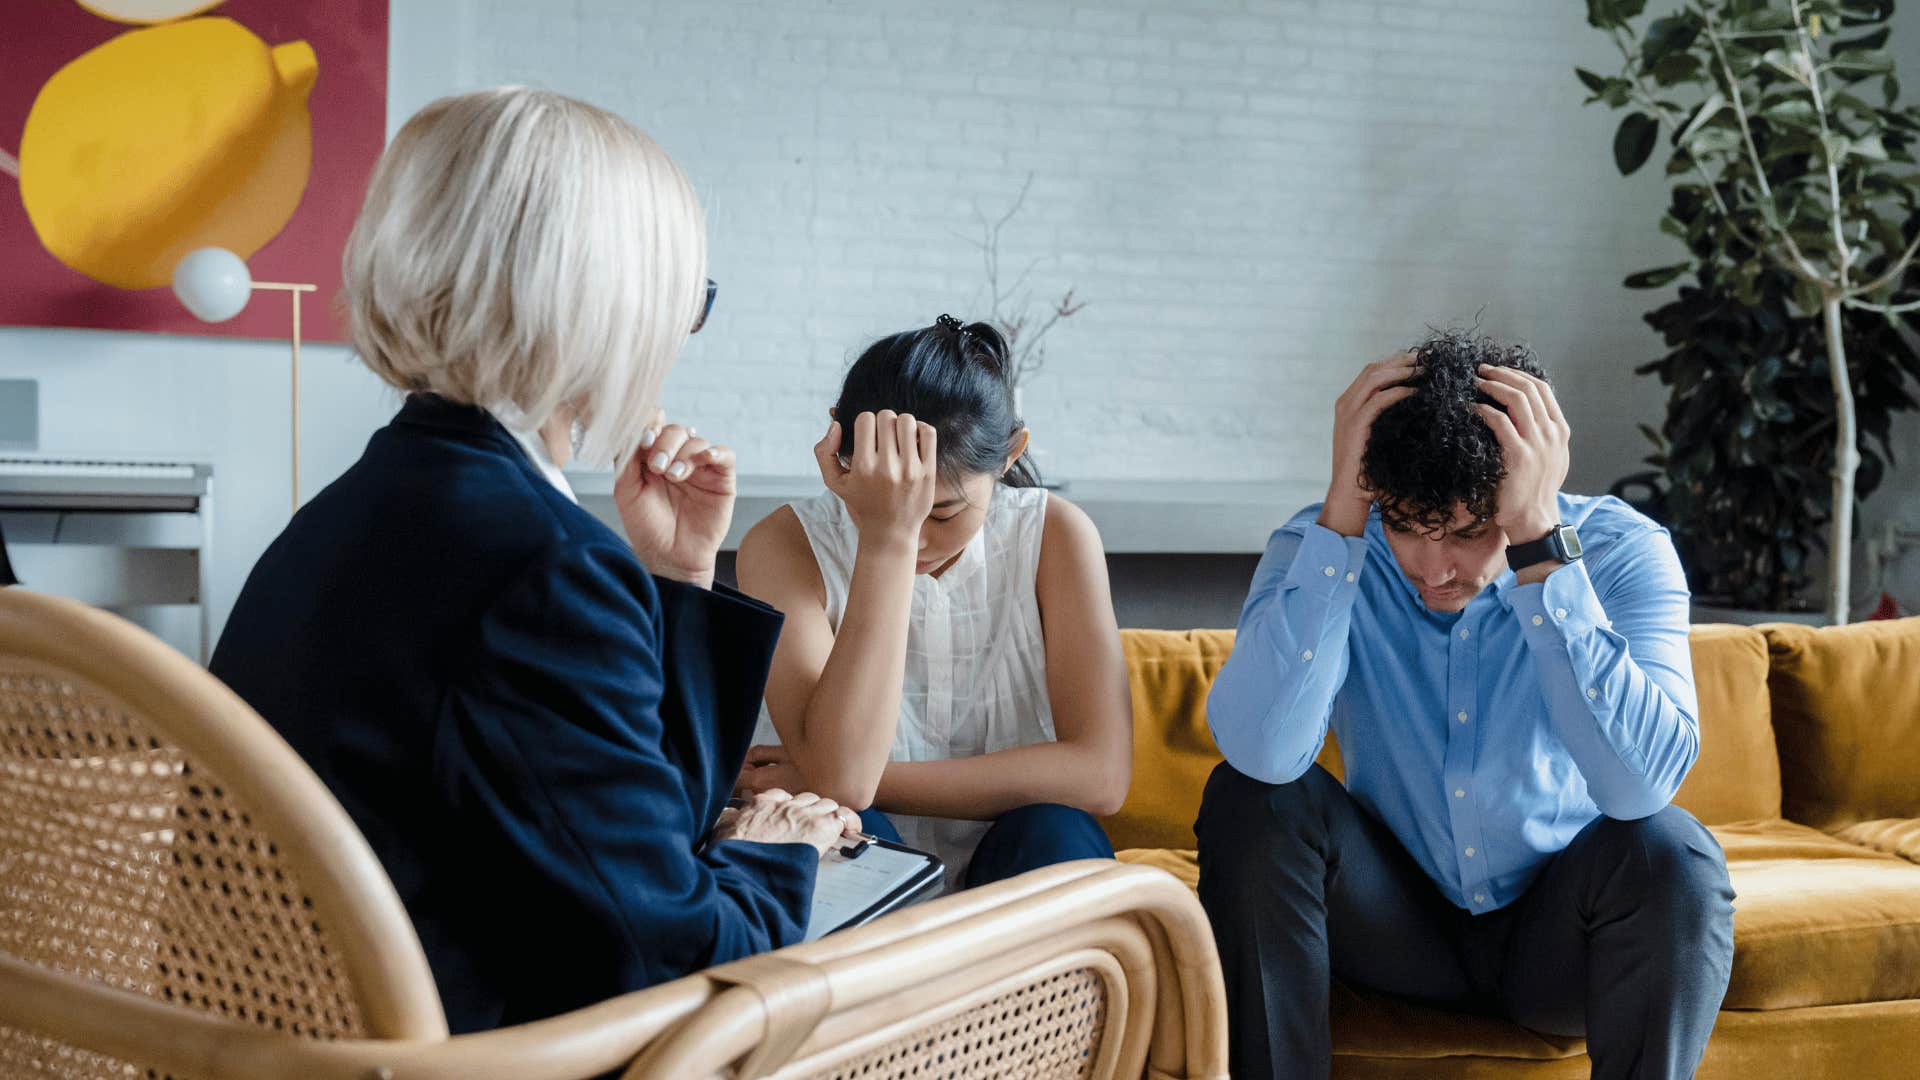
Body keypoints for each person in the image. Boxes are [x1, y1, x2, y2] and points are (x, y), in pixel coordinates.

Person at [210, 87, 858, 1034]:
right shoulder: (541, 569)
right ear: (609, 306)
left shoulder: (355, 513)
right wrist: (777, 847)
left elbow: (618, 845)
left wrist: (676, 580)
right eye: (688, 302)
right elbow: (684, 970)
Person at [1197, 330, 1735, 1080]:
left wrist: (1539, 545)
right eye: (1408, 526)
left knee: (1672, 855)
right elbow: (1261, 753)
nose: (1433, 567)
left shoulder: (1620, 550)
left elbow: (1640, 787)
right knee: (1250, 802)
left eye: (1469, 531)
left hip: (1557, 940)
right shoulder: (1324, 543)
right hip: (1394, 925)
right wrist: (1346, 520)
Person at [734, 315, 1131, 890]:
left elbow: (1102, 776)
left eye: (942, 512)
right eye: (898, 509)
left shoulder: (1056, 535)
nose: (917, 536)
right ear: (840, 451)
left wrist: (857, 775)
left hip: (1017, 862)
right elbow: (845, 785)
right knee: (839, 825)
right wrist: (883, 542)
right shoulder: (783, 544)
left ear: (1010, 454)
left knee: (1058, 831)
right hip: (856, 852)